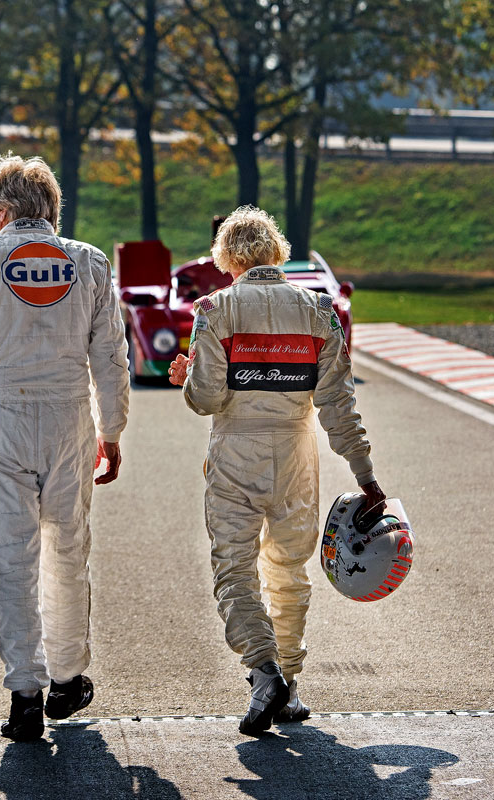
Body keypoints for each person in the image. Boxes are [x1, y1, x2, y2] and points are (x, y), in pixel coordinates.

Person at [0, 154, 130, 741]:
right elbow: (111, 356)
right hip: (71, 420)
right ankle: (68, 677)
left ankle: (24, 694)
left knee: (11, 562)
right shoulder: (88, 263)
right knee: (67, 553)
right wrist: (112, 429)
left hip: (3, 419)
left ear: (8, 210)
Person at [168, 205, 386, 736]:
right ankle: (289, 682)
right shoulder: (318, 309)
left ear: (225, 258)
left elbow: (207, 398)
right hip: (297, 453)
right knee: (288, 570)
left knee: (236, 570)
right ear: (277, 252)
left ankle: (263, 673)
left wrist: (188, 375)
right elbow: (338, 403)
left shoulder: (215, 308)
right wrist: (364, 474)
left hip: (234, 454)